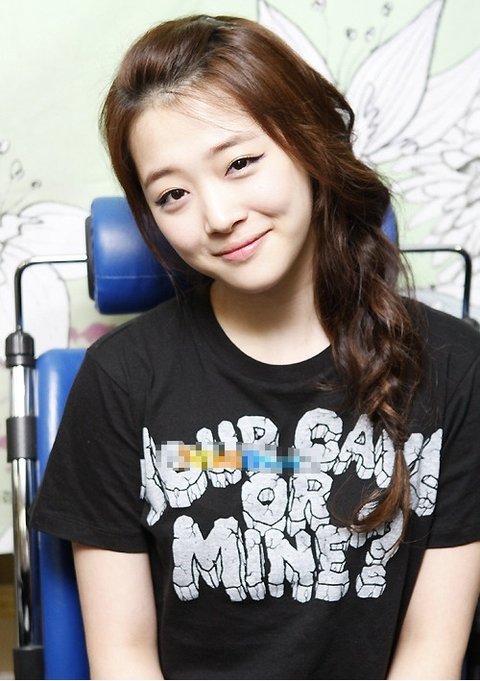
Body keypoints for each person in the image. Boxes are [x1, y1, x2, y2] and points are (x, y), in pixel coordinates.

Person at [30, 14, 480, 680]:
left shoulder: (452, 365)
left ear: (308, 144)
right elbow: (124, 657)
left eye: (240, 163)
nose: (218, 216)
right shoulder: (120, 378)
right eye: (173, 195)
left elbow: (430, 654)